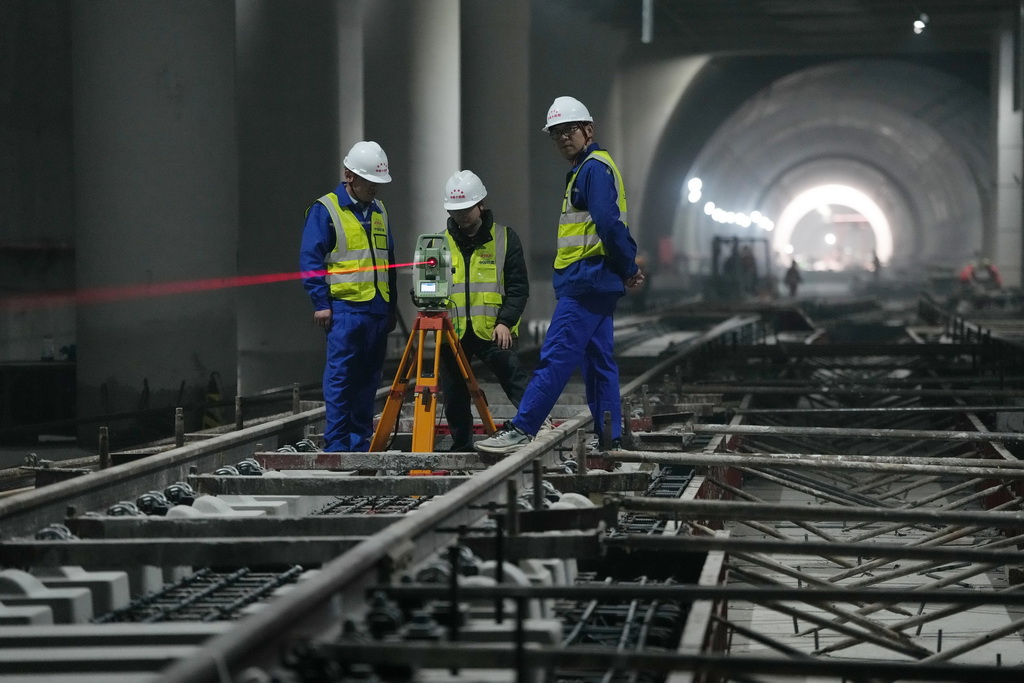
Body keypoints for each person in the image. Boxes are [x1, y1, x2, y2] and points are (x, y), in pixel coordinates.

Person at [476, 96, 644, 455]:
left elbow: (608, 223)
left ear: (588, 130)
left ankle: (522, 428)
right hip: (595, 281)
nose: (563, 138)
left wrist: (628, 266)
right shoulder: (588, 169)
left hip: (586, 282)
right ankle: (611, 438)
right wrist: (625, 270)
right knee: (599, 363)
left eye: (569, 130)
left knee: (556, 356)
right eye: (556, 134)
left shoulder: (593, 169)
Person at [300, 141, 398, 452]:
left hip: (376, 311)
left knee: (368, 381)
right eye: (371, 183)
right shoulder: (325, 210)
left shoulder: (379, 210)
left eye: (378, 184)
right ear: (349, 176)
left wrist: (391, 306)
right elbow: (311, 259)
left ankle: (359, 444)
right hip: (344, 311)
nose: (375, 190)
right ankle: (338, 445)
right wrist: (321, 303)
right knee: (341, 380)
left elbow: (389, 260)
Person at [438, 170, 531, 452]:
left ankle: (535, 424)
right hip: (453, 332)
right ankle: (462, 444)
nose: (462, 216)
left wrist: (506, 322)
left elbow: (518, 288)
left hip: (493, 330)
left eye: (466, 209)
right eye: (456, 211)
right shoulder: (440, 242)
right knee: (453, 393)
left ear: (481, 204)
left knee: (514, 378)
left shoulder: (505, 238)